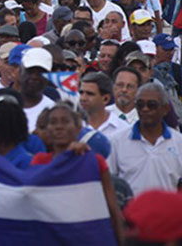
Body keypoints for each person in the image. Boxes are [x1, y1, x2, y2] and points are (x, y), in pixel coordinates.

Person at [30, 103, 124, 243]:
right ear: (47, 130)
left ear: (78, 128)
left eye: (65, 121)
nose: (59, 126)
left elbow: (112, 208)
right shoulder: (39, 162)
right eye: (53, 122)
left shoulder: (93, 162)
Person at [108, 82, 182, 195]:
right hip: (130, 211)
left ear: (166, 109)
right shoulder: (117, 141)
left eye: (152, 105)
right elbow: (109, 183)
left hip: (169, 211)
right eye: (140, 104)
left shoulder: (178, 142)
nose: (145, 109)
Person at [79, 72, 129, 138]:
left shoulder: (123, 130)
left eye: (90, 94)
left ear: (106, 99)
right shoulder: (73, 127)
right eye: (81, 93)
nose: (83, 98)